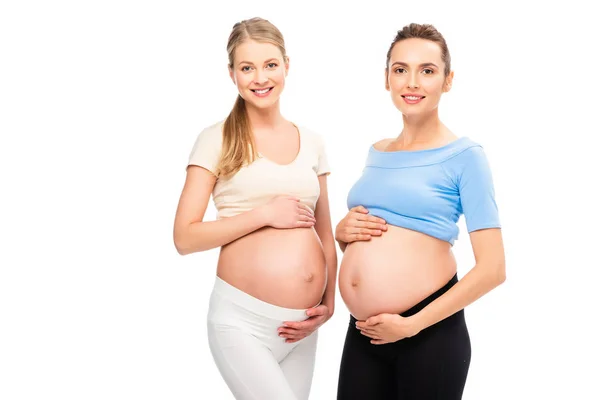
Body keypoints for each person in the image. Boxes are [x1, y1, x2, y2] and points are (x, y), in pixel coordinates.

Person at [335, 23, 506, 399]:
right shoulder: (376, 152)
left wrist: (412, 324)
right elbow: (383, 238)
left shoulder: (466, 157)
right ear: (387, 79)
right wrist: (342, 234)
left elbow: (493, 270)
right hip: (364, 331)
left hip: (429, 332)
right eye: (401, 69)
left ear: (447, 81)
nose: (412, 82)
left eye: (427, 71)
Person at [172, 17, 337, 400]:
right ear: (232, 74)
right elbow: (184, 237)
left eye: (270, 65)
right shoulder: (216, 139)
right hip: (241, 322)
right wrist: (263, 215)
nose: (260, 77)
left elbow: (324, 233)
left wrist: (328, 304)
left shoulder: (312, 141)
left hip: (302, 329)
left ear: (286, 66)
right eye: (247, 68)